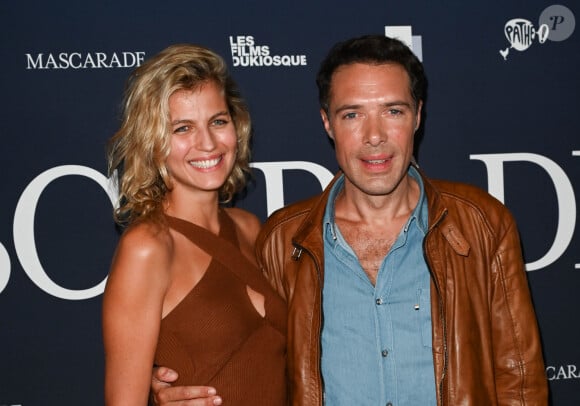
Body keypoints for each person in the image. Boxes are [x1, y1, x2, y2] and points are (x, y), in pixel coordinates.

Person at [152, 35, 548, 405]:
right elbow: (250, 354)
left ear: (417, 116)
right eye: (352, 115)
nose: (374, 135)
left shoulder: (482, 222)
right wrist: (166, 385)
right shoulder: (283, 239)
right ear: (327, 122)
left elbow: (520, 378)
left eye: (393, 111)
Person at [102, 44, 287, 406]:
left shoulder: (249, 227)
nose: (207, 143)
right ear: (153, 142)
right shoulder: (148, 247)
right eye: (183, 128)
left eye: (218, 121)